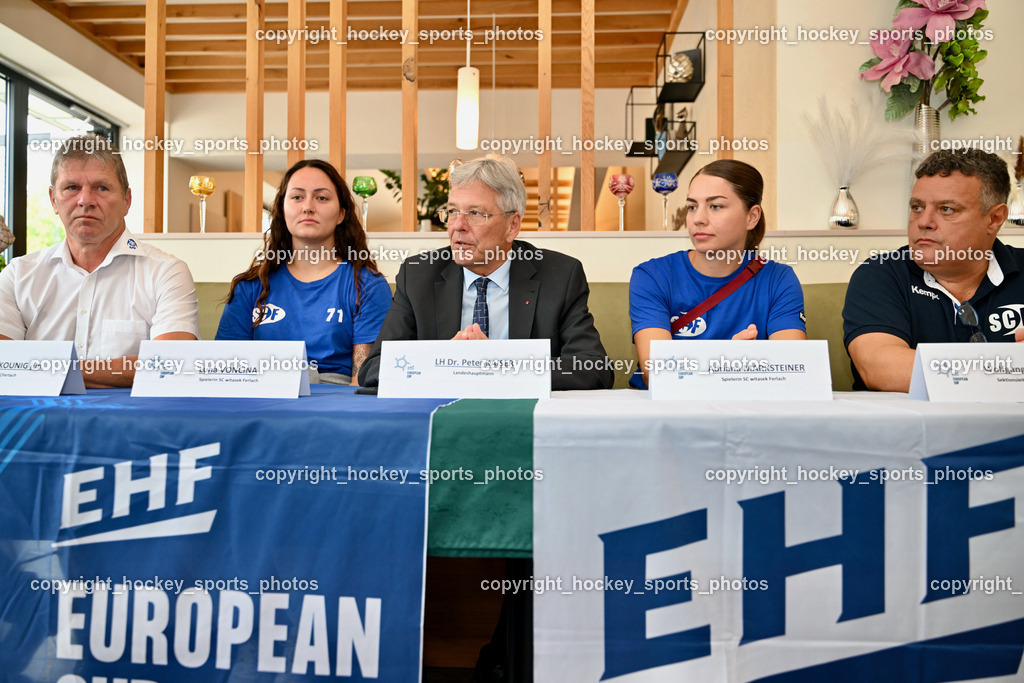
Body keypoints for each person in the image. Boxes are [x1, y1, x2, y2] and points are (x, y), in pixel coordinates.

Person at [358, 156, 613, 391]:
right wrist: (445, 362)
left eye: (475, 213)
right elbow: (373, 369)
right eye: (453, 211)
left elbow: (593, 367)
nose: (458, 226)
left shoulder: (559, 276)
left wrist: (497, 363)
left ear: (512, 225)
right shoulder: (418, 275)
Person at [0, 134, 198, 388]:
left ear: (127, 200)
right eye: (72, 187)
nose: (85, 200)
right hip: (36, 423)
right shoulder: (18, 274)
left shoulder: (166, 272)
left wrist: (47, 369)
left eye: (101, 188)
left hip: (130, 424)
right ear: (53, 200)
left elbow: (171, 362)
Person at [843, 148, 1024, 392]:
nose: (923, 221)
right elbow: (882, 369)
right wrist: (1010, 369)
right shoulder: (879, 274)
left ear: (994, 219)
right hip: (912, 429)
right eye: (917, 207)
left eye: (946, 209)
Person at [629, 159, 806, 387]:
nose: (698, 218)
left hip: (748, 412)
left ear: (751, 217)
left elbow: (795, 372)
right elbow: (657, 374)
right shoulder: (652, 276)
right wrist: (728, 363)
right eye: (692, 206)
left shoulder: (778, 279)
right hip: (667, 415)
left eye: (715, 206)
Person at [216, 159, 390, 384]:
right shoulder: (249, 286)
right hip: (261, 397)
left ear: (341, 214)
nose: (308, 206)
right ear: (282, 209)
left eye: (322, 197)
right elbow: (225, 374)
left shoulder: (367, 286)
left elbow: (362, 384)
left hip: (336, 402)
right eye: (297, 197)